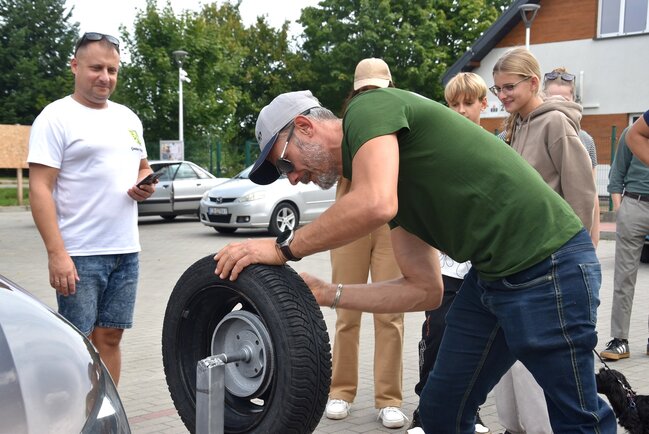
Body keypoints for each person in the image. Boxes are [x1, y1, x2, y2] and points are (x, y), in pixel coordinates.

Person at [213, 86, 617, 432]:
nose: (292, 178)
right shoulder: (394, 192)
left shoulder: (369, 108)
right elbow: (424, 290)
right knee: (441, 411)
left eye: (285, 163)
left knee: (576, 418)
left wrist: (282, 249)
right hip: (492, 279)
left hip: (548, 262)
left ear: (305, 127)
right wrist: (328, 292)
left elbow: (374, 203)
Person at [27, 32, 155, 386]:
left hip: (126, 251)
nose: (105, 77)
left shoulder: (128, 118)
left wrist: (144, 183)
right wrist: (57, 254)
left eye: (112, 70)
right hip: (79, 255)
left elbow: (142, 166)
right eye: (96, 68)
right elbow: (40, 188)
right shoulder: (55, 117)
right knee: (77, 344)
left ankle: (106, 411)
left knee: (110, 338)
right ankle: (76, 412)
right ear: (75, 66)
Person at [490, 48, 596, 434]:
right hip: (517, 263)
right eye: (497, 89)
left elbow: (581, 196)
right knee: (511, 364)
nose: (502, 95)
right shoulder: (514, 127)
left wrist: (575, 261)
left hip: (551, 264)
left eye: (509, 87)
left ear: (533, 82)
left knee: (542, 366)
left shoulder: (555, 124)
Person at [325, 58, 407, 429]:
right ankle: (341, 391)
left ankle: (389, 399)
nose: (371, 95)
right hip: (351, 225)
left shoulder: (402, 122)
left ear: (389, 88)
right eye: (365, 90)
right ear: (355, 92)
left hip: (393, 225)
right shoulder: (344, 126)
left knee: (391, 314)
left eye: (378, 89)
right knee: (346, 311)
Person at [408, 72, 490, 434]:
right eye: (453, 104)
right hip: (443, 267)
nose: (460, 111)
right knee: (437, 334)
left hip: (481, 266)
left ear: (484, 104)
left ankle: (470, 411)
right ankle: (424, 412)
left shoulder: (496, 149)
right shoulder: (437, 149)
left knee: (475, 343)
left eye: (468, 103)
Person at [600, 116, 649, 360]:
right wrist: (620, 208)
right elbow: (617, 173)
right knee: (624, 277)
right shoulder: (632, 132)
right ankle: (620, 340)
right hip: (635, 204)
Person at [543, 66, 601, 247]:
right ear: (543, 97)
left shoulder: (585, 140)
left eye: (564, 99)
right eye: (552, 98)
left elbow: (592, 192)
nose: (558, 105)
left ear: (573, 100)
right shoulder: (527, 131)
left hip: (571, 229)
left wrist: (594, 237)